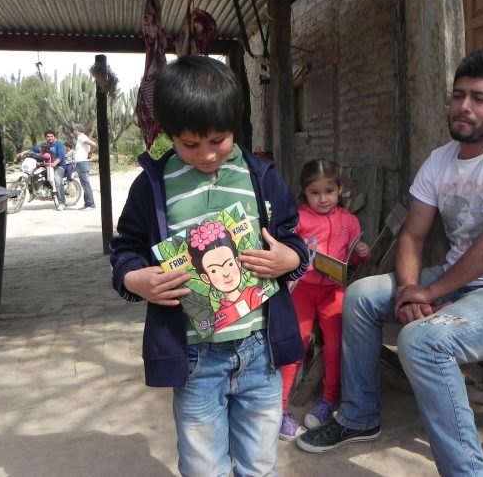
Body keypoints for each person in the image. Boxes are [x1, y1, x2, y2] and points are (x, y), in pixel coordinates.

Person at [296, 48, 483, 476]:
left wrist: (432, 291)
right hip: (460, 282)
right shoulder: (439, 161)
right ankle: (358, 416)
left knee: (423, 341)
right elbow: (412, 235)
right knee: (362, 294)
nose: (464, 106)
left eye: (479, 98)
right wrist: (407, 289)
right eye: (458, 95)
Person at [108, 55, 309, 477]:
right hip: (195, 356)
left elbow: (293, 237)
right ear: (168, 135)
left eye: (218, 140)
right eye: (190, 144)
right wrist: (134, 277)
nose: (207, 155)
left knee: (259, 464)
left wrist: (289, 257)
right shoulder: (153, 186)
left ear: (235, 126)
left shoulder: (261, 177)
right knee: (204, 467)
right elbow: (125, 246)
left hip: (261, 351)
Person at [279, 159, 371, 441]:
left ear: (340, 189)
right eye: (314, 193)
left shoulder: (349, 221)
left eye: (328, 191)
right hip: (303, 289)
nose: (322, 199)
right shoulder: (298, 219)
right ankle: (280, 410)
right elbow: (285, 251)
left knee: (335, 346)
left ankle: (328, 400)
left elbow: (354, 255)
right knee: (295, 345)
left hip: (334, 291)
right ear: (304, 192)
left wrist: (361, 253)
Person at [17, 130, 67, 211]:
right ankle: (33, 193)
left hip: (59, 166)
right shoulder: (44, 145)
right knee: (33, 175)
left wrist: (54, 163)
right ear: (45, 137)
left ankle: (61, 202)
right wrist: (22, 153)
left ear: (55, 137)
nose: (49, 138)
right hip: (47, 166)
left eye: (51, 136)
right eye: (48, 136)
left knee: (58, 182)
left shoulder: (59, 145)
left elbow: (61, 155)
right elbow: (33, 149)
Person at [71, 123, 96, 209]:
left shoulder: (81, 137)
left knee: (85, 184)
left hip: (82, 163)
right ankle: (87, 204)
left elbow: (93, 144)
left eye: (73, 130)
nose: (73, 132)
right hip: (81, 163)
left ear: (77, 130)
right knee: (84, 184)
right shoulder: (81, 138)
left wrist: (90, 153)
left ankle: (91, 204)